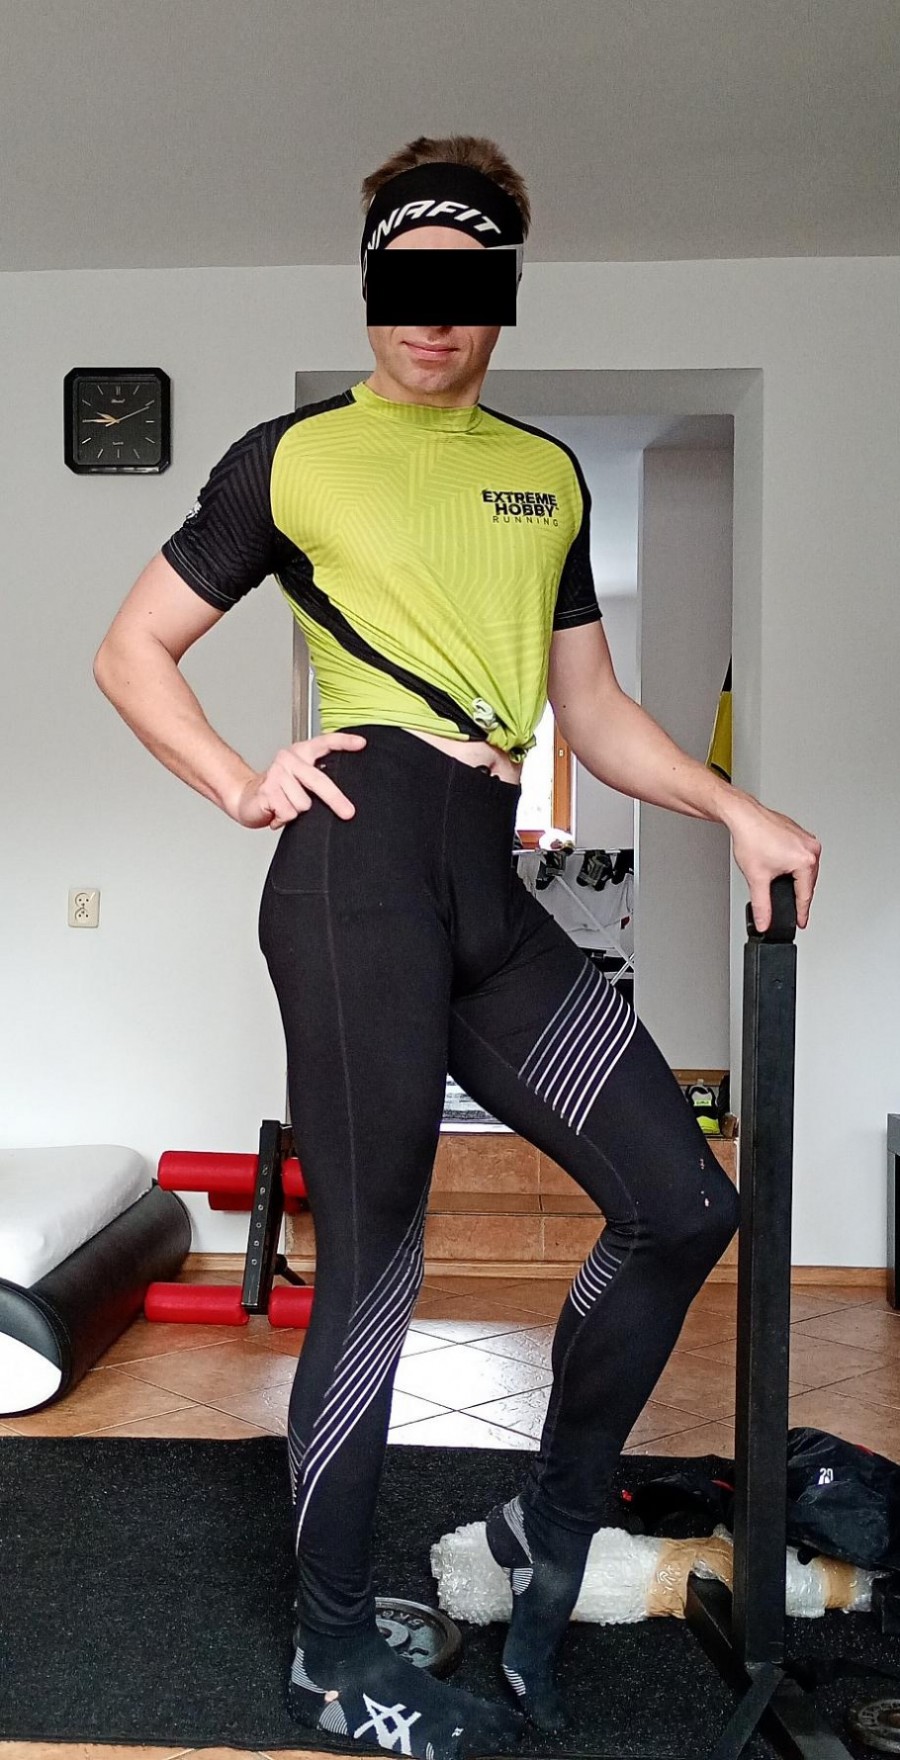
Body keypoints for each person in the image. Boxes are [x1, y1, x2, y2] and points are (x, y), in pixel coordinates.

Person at [93, 135, 821, 1760]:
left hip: (488, 891)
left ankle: (539, 1529)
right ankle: (333, 1652)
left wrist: (735, 809)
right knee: (374, 1268)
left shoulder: (544, 476)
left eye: (467, 283)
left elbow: (594, 711)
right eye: (407, 280)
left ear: (503, 295)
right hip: (353, 885)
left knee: (683, 1198)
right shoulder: (290, 460)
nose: (435, 314)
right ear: (369, 287)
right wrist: (240, 779)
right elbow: (133, 648)